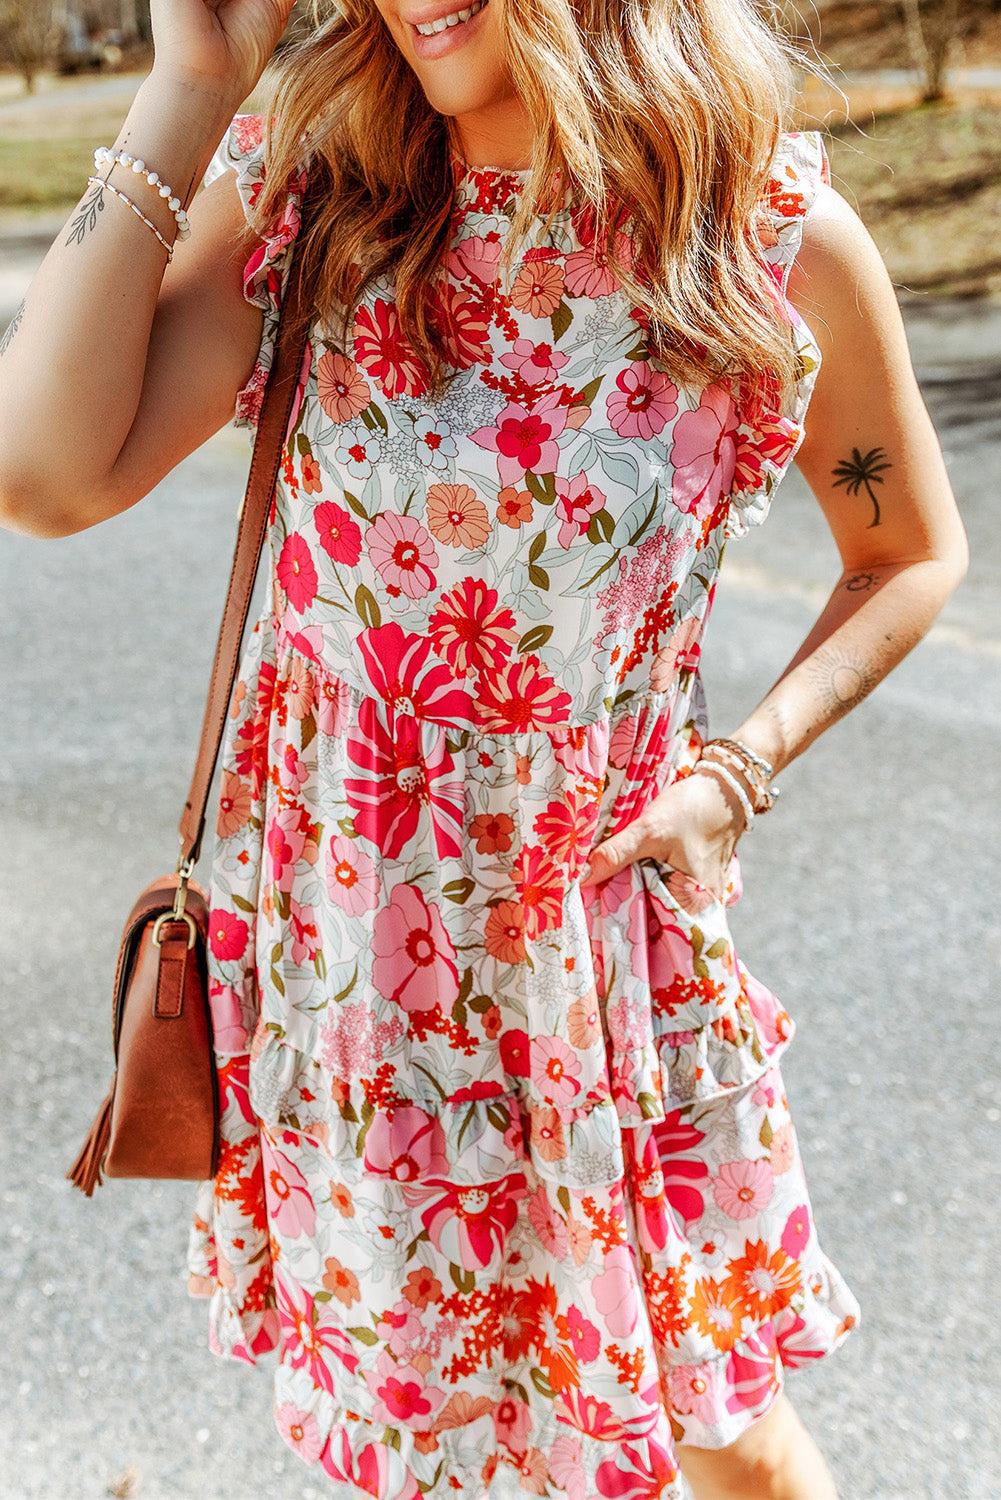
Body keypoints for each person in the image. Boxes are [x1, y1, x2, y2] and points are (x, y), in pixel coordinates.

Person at [0, 0, 968, 1491]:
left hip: (602, 972)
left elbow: (906, 552)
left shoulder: (768, 240)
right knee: (428, 1444)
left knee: (723, 1441)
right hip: (356, 981)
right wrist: (190, 82)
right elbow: (41, 475)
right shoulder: (321, 203)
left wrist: (739, 771)